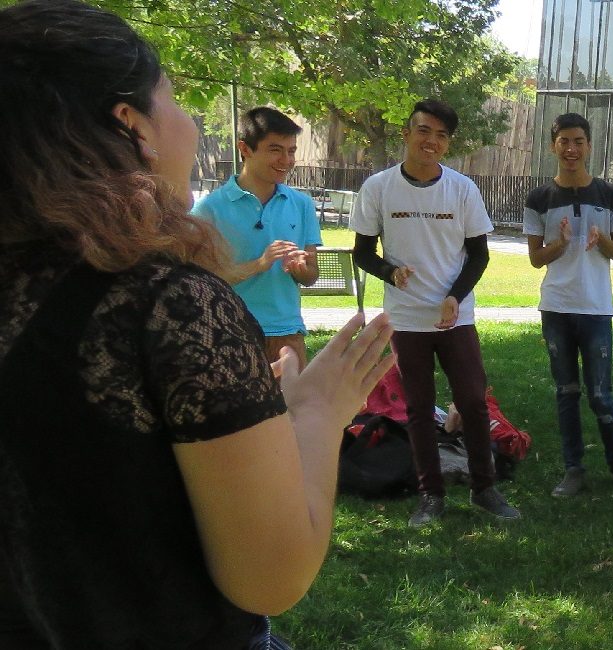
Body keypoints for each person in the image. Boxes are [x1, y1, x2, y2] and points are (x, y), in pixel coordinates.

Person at [0, 2, 394, 647]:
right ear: (131, 125)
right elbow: (271, 577)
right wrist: (320, 409)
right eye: (176, 101)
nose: (188, 123)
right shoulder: (169, 305)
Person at [351, 99, 521, 527]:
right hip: (406, 319)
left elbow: (479, 256)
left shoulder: (462, 189)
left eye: (442, 135)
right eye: (424, 131)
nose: (432, 141)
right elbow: (363, 253)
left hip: (455, 317)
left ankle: (485, 488)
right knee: (420, 408)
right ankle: (430, 495)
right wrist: (391, 271)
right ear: (407, 134)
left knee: (472, 403)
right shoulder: (378, 188)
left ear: (448, 144)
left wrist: (455, 296)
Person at [523, 112, 613, 497]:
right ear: (553, 146)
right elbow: (535, 258)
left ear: (589, 146)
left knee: (600, 393)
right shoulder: (539, 198)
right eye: (564, 141)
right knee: (566, 392)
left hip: (596, 309)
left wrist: (603, 241)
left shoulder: (609, 195)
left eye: (578, 141)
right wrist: (559, 246)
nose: (571, 149)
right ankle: (573, 468)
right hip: (557, 309)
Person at [192, 106, 322, 368]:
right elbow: (199, 283)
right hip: (230, 331)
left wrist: (300, 269)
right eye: (275, 150)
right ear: (245, 149)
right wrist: (259, 264)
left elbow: (311, 276)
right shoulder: (208, 210)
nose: (286, 160)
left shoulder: (302, 204)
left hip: (288, 334)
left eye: (291, 151)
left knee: (294, 410)